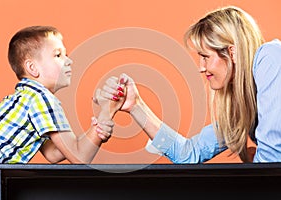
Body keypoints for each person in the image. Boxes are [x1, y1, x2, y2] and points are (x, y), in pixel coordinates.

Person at [97, 6, 281, 164]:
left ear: (231, 52)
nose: (201, 68)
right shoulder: (246, 102)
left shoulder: (271, 57)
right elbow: (189, 153)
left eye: (205, 57)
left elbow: (271, 159)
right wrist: (136, 106)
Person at [0, 26, 125, 199]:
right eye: (58, 55)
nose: (69, 60)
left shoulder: (25, 98)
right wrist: (105, 115)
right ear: (32, 68)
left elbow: (54, 154)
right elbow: (79, 157)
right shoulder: (42, 98)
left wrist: (103, 117)